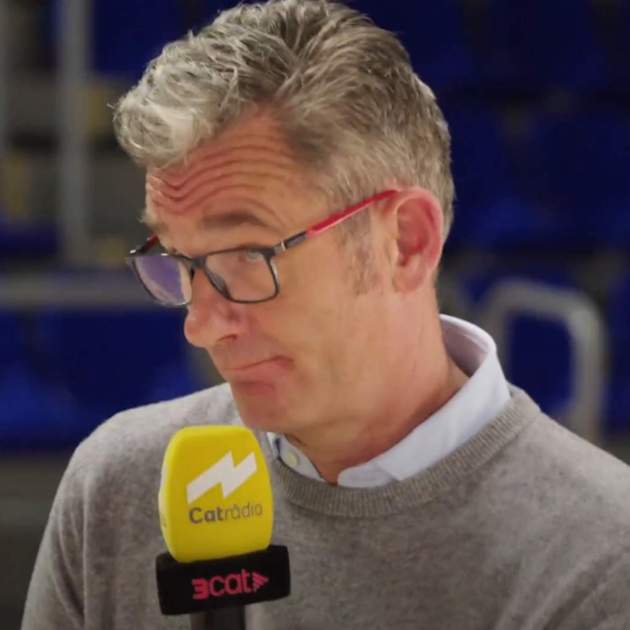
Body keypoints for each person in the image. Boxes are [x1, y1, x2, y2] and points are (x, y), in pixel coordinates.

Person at [22, 1, 630, 628]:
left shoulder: (603, 556)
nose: (199, 328)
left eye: (247, 255)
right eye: (178, 259)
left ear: (407, 242)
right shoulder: (117, 486)